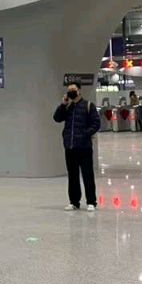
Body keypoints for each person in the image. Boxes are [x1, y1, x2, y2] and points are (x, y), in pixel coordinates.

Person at [53, 83, 101, 211]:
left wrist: (85, 134)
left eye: (73, 90)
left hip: (84, 147)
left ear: (79, 91)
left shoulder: (88, 105)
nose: (71, 92)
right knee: (72, 176)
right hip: (70, 147)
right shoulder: (68, 107)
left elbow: (96, 123)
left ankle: (91, 202)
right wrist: (63, 104)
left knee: (87, 175)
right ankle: (74, 202)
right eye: (69, 90)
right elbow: (57, 118)